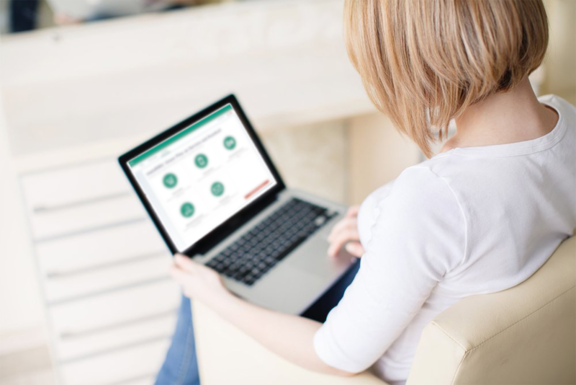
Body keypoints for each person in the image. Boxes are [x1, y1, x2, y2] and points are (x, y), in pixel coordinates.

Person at [166, 0, 576, 384]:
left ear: (415, 61)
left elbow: (337, 355)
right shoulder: (565, 120)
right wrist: (380, 224)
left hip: (367, 367)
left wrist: (217, 301)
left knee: (204, 286)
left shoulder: (435, 198)